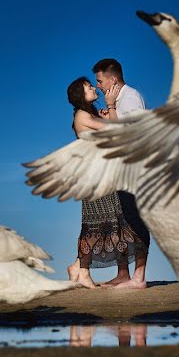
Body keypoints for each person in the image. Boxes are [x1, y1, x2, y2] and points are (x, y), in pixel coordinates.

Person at [65, 77, 148, 288]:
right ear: (80, 95)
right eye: (89, 87)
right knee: (95, 224)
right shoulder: (82, 114)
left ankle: (79, 267)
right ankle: (81, 269)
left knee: (106, 224)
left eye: (93, 85)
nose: (94, 88)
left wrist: (104, 114)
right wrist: (111, 105)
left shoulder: (88, 114)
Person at [90, 58, 151, 289]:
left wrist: (113, 109)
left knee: (136, 219)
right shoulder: (118, 99)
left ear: (112, 79)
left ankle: (139, 277)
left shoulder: (131, 97)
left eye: (99, 80)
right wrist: (110, 116)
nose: (98, 85)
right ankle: (124, 274)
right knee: (122, 221)